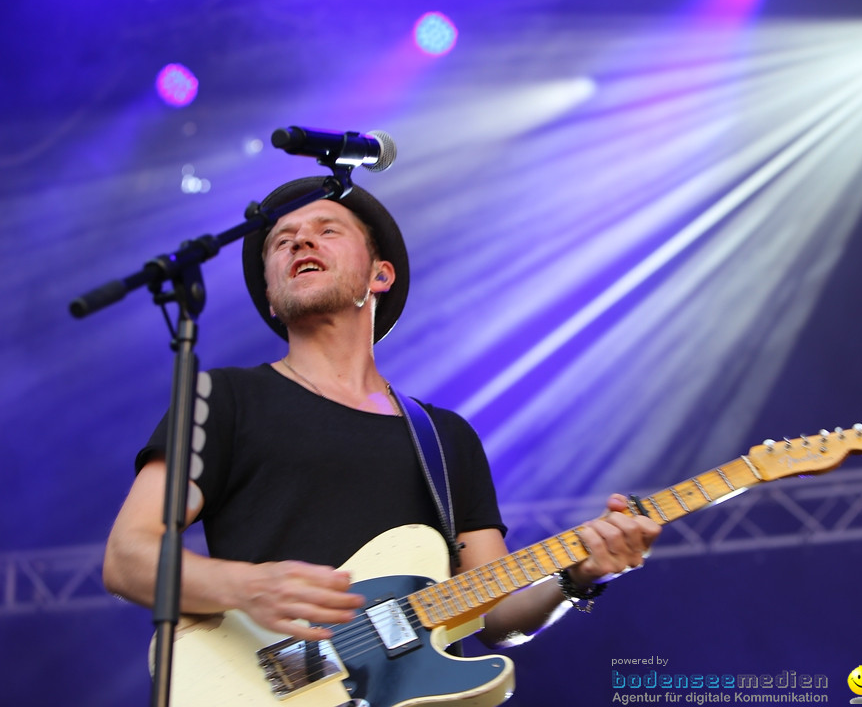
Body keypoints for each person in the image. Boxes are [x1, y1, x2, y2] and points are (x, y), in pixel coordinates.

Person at [102, 177, 661, 663]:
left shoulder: (445, 439)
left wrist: (577, 578)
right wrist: (247, 586)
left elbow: (492, 617)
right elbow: (128, 559)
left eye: (327, 229)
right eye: (280, 240)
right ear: (271, 297)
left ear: (380, 275)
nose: (300, 240)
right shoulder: (223, 398)